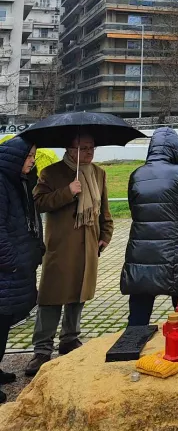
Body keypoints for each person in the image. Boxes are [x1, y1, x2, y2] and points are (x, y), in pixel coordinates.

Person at [25, 133, 113, 377]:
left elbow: (104, 209)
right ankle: (42, 349)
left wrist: (106, 234)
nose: (89, 152)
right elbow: (39, 203)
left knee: (79, 293)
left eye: (91, 147)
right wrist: (68, 191)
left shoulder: (98, 173)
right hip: (61, 246)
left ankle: (70, 340)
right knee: (51, 297)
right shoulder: (51, 173)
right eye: (83, 148)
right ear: (69, 149)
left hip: (88, 244)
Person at [121, 127, 178, 326]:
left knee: (138, 313)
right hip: (174, 252)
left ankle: (130, 347)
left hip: (140, 253)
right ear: (176, 148)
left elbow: (134, 208)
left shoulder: (136, 174)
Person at [0, 137, 42, 403]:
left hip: (14, 269)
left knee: (3, 325)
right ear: (16, 158)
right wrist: (12, 261)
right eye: (29, 157)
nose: (33, 161)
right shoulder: (1, 185)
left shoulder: (19, 183)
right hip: (6, 270)